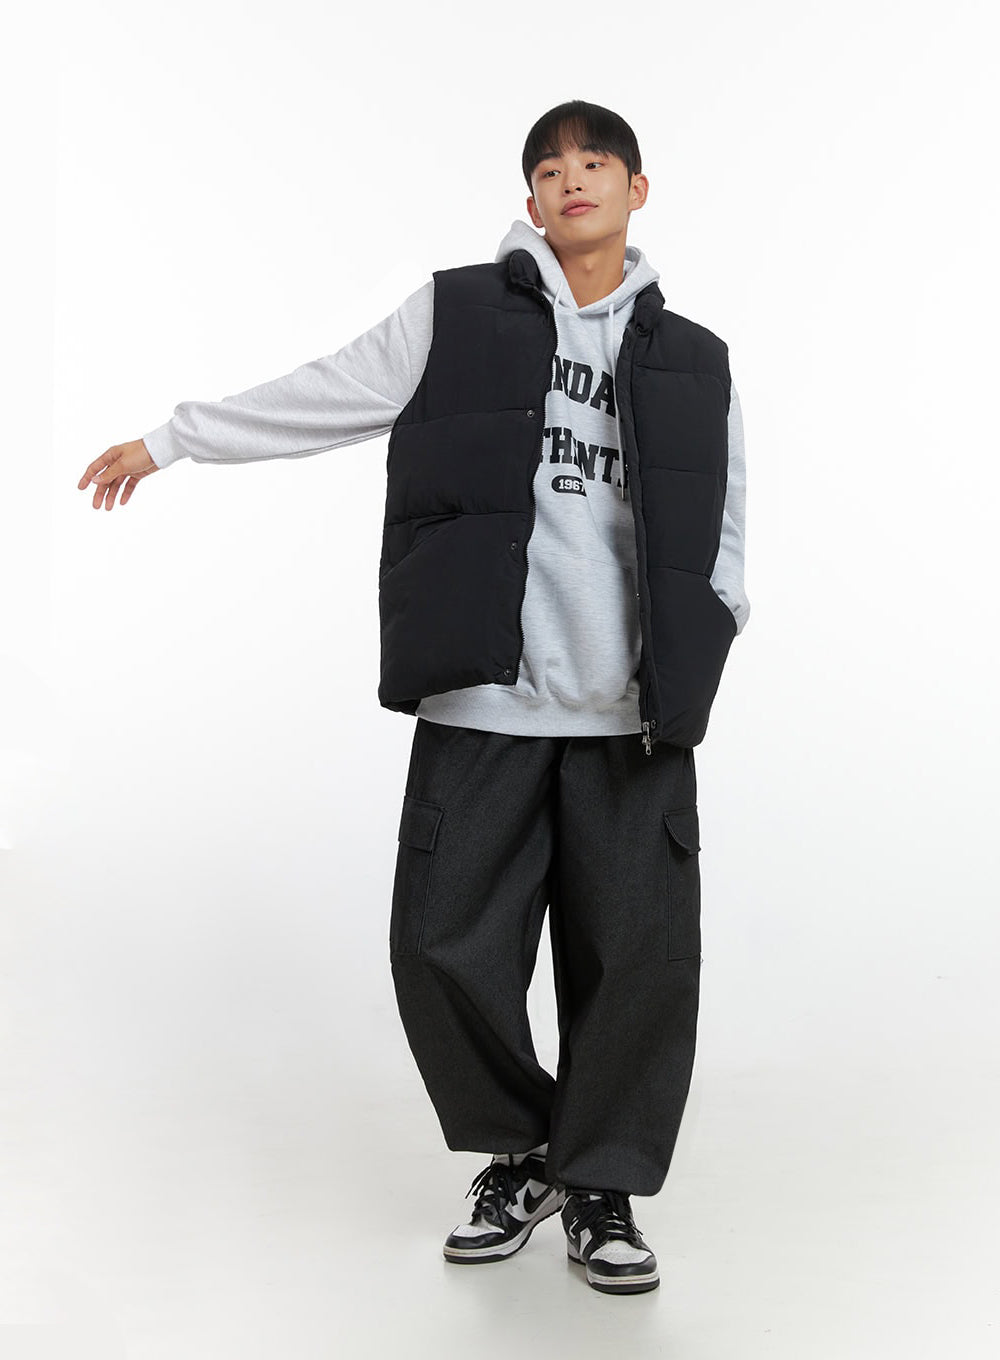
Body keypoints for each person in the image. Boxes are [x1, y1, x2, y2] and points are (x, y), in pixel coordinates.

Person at [78, 99, 750, 1297]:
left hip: (631, 713)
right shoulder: (454, 312)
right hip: (484, 699)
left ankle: (600, 1184)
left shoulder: (696, 358)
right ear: (530, 199)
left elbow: (726, 523)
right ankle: (528, 1152)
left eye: (595, 162)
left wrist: (713, 627)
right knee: (439, 945)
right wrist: (173, 440)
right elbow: (327, 390)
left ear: (635, 189)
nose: (572, 180)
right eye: (550, 168)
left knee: (639, 960)